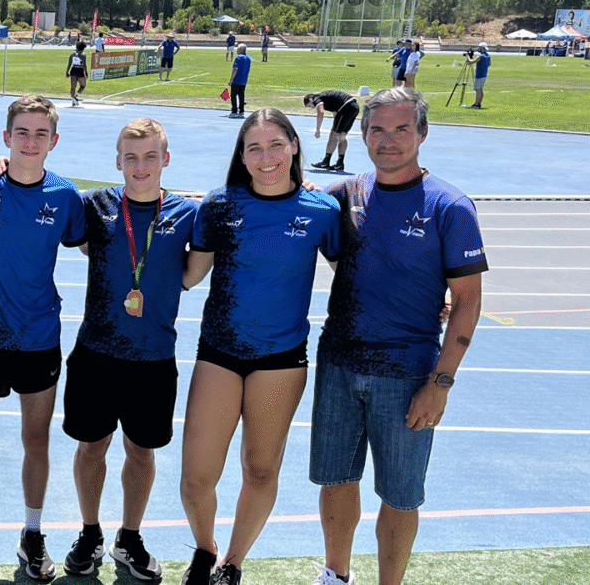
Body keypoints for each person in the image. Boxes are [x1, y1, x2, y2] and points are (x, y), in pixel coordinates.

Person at [310, 87, 488, 585]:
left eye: (401, 129)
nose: (388, 140)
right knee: (336, 479)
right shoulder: (345, 196)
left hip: (408, 374)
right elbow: (298, 221)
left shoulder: (450, 206)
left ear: (422, 134)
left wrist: (441, 383)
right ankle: (335, 575)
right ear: (363, 135)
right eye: (378, 130)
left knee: (401, 493)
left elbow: (469, 303)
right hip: (340, 363)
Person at [178, 108, 340, 585]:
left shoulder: (322, 211)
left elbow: (355, 274)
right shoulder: (220, 205)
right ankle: (205, 549)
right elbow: (189, 274)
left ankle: (232, 563)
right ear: (242, 156)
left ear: (294, 144)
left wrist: (429, 299)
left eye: (275, 145)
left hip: (281, 361)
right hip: (220, 354)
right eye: (254, 148)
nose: (266, 157)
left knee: (261, 470)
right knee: (196, 478)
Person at [0, 95, 86, 582]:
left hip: (40, 338)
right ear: (6, 137)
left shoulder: (66, 196)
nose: (29, 142)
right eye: (20, 133)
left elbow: (97, 242)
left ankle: (32, 531)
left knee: (36, 440)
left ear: (54, 141)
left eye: (39, 134)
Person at [62, 119, 197, 582]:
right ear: (118, 161)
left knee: (142, 451)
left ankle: (130, 536)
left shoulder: (187, 215)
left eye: (150, 156)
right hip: (96, 352)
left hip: (154, 357)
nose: (140, 167)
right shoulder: (95, 205)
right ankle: (89, 531)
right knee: (91, 446)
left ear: (166, 158)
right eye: (131, 157)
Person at [303, 91, 360, 171]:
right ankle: (340, 163)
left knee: (333, 135)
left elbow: (321, 112)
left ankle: (326, 162)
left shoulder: (316, 98)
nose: (312, 108)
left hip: (346, 107)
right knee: (342, 136)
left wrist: (318, 129)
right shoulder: (326, 99)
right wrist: (337, 125)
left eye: (310, 106)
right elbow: (335, 111)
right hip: (354, 107)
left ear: (310, 99)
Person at [228, 44, 252, 119]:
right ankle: (241, 111)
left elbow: (235, 69)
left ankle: (234, 111)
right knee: (241, 96)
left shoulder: (238, 57)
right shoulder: (248, 58)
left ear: (240, 50)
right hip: (244, 80)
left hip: (236, 80)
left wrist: (231, 80)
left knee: (233, 96)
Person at [465, 42, 490, 109]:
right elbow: (489, 64)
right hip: (484, 74)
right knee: (480, 90)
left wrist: (468, 56)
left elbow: (471, 61)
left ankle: (476, 104)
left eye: (479, 47)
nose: (478, 49)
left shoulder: (480, 56)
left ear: (482, 48)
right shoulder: (488, 55)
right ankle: (478, 104)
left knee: (478, 89)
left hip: (479, 75)